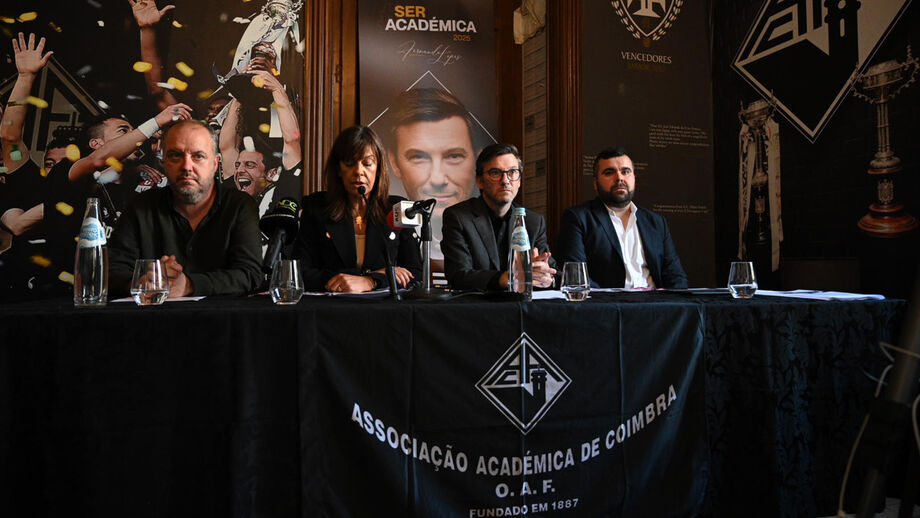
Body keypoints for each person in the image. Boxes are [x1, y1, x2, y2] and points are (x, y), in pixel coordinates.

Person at [108, 120, 262, 298]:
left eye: (198, 156)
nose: (186, 166)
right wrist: (142, 282)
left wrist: (189, 285)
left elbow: (249, 275)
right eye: (175, 155)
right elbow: (112, 272)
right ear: (163, 162)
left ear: (215, 164)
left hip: (221, 321)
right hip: (152, 321)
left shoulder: (239, 206)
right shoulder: (139, 207)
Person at [294, 126, 421, 293]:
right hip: (331, 309)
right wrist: (368, 277)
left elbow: (416, 275)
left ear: (378, 168)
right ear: (339, 169)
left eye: (367, 163)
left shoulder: (398, 208)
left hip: (384, 310)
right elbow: (299, 273)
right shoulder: (316, 208)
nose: (359, 172)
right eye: (349, 163)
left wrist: (372, 281)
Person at [557, 147, 688, 289]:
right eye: (609, 173)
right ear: (595, 183)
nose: (619, 178)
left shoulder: (656, 222)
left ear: (634, 178)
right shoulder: (578, 219)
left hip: (655, 305)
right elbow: (577, 277)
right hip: (608, 307)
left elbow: (675, 276)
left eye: (625, 172)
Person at [385, 88, 480, 268]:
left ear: (476, 161)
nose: (438, 179)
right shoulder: (383, 230)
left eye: (454, 156)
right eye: (419, 157)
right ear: (395, 163)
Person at [441, 143, 556, 291]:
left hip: (522, 307)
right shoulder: (458, 217)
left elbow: (554, 272)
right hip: (477, 309)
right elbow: (458, 276)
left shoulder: (533, 221)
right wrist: (508, 278)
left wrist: (546, 277)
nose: (505, 180)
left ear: (519, 180)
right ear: (480, 181)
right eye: (496, 173)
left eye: (512, 172)